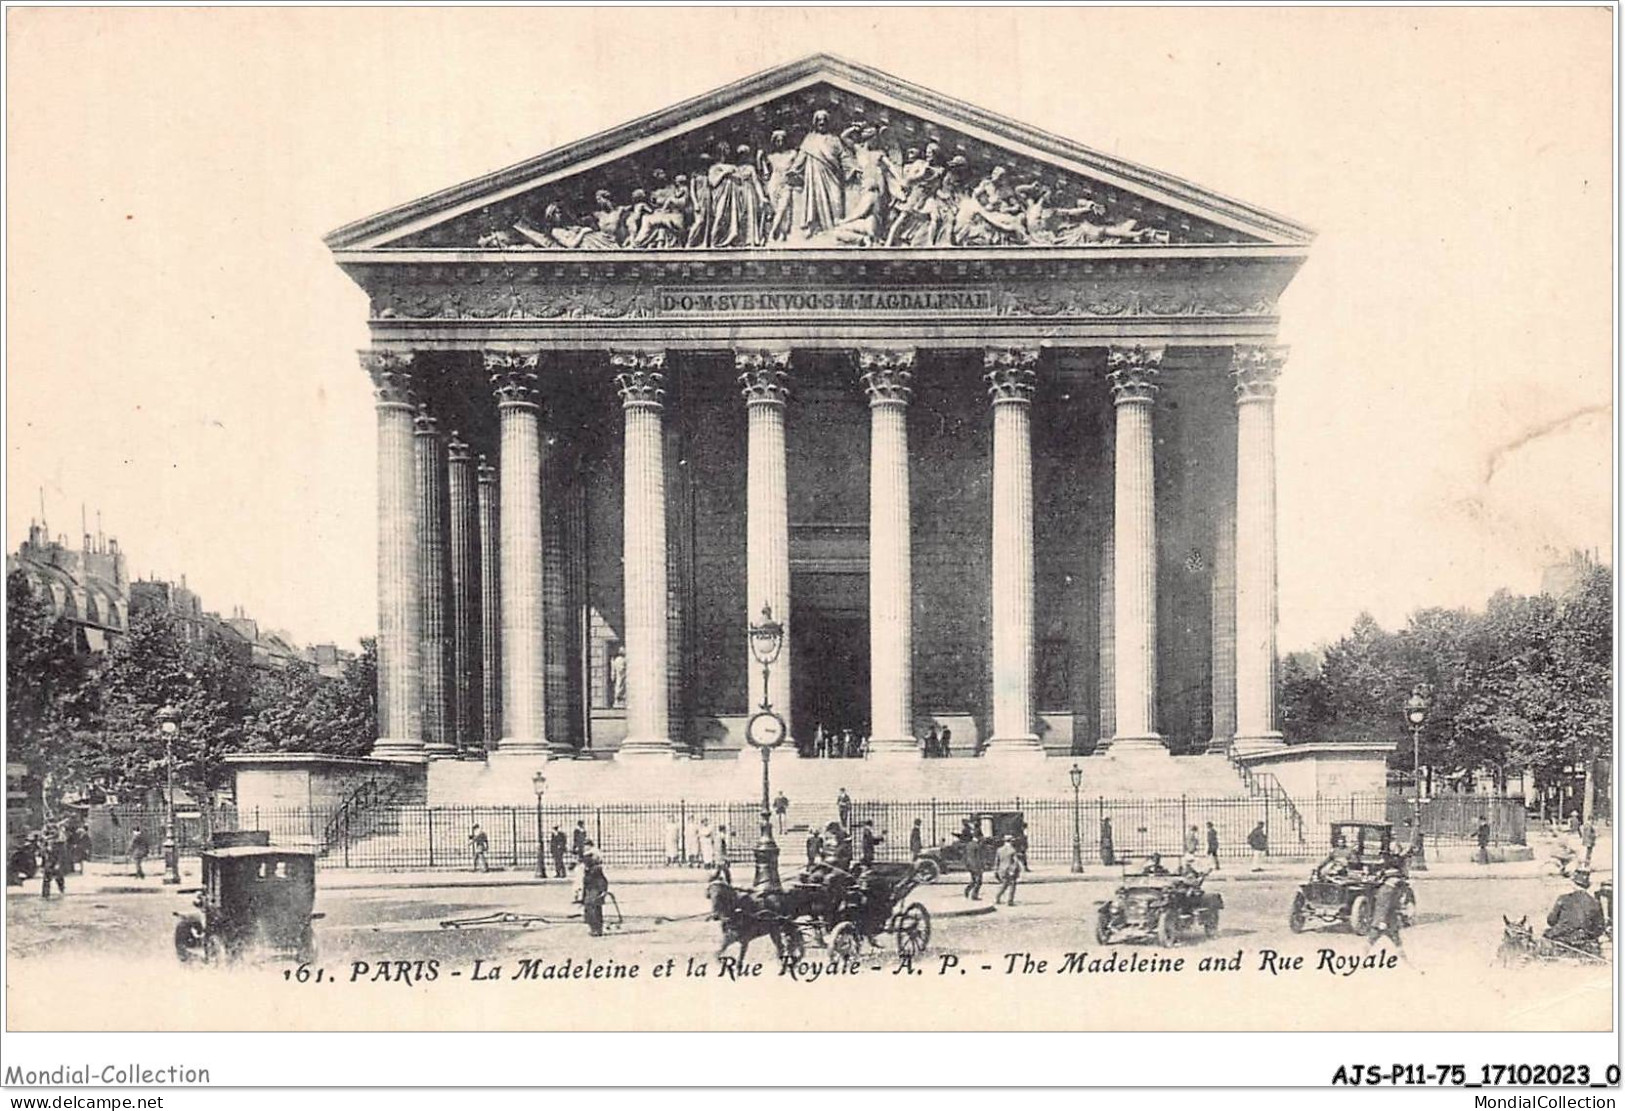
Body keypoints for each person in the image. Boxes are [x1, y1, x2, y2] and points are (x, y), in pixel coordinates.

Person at [1546, 870, 1607, 949]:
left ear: (1573, 885)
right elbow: (1599, 928)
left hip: (1562, 939)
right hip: (1584, 939)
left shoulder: (1563, 899)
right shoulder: (1595, 902)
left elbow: (1551, 920)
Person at [580, 850, 610, 937]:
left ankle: (597, 929)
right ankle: (593, 928)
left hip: (595, 891)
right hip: (589, 892)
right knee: (589, 910)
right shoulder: (588, 870)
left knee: (595, 910)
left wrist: (603, 891)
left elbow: (602, 881)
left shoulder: (596, 870)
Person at [994, 834, 1023, 906]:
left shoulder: (999, 850)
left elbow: (997, 861)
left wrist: (996, 870)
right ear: (1011, 841)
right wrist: (1015, 870)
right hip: (1010, 870)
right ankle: (1010, 901)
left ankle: (997, 897)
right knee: (1012, 885)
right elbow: (1015, 861)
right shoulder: (1012, 850)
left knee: (1004, 884)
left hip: (1002, 870)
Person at [38, 828, 66, 898]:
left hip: (56, 862)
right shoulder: (46, 844)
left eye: (52, 834)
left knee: (59, 878)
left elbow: (61, 855)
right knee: (46, 879)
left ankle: (61, 889)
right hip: (48, 863)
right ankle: (45, 894)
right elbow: (44, 856)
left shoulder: (59, 844)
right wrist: (42, 865)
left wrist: (58, 864)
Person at [963, 833, 986, 901]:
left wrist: (967, 865)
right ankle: (974, 895)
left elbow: (966, 856)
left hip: (970, 865)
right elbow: (978, 857)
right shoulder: (977, 846)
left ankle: (967, 890)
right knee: (979, 881)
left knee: (973, 880)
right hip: (976, 866)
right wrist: (981, 867)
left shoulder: (968, 844)